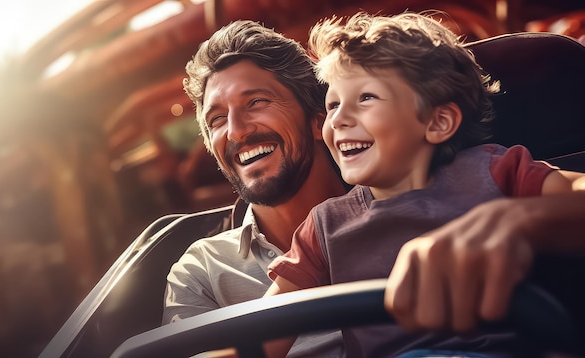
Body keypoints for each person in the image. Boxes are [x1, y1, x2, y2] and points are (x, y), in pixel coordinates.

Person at [265, 12, 585, 357]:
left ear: (439, 121)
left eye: (366, 98)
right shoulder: (324, 227)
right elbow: (260, 333)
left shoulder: (494, 169)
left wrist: (519, 218)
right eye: (333, 104)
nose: (338, 119)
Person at [161, 19, 348, 357]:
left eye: (257, 102)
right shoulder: (201, 271)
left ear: (319, 121)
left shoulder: (403, 208)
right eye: (217, 119)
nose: (235, 131)